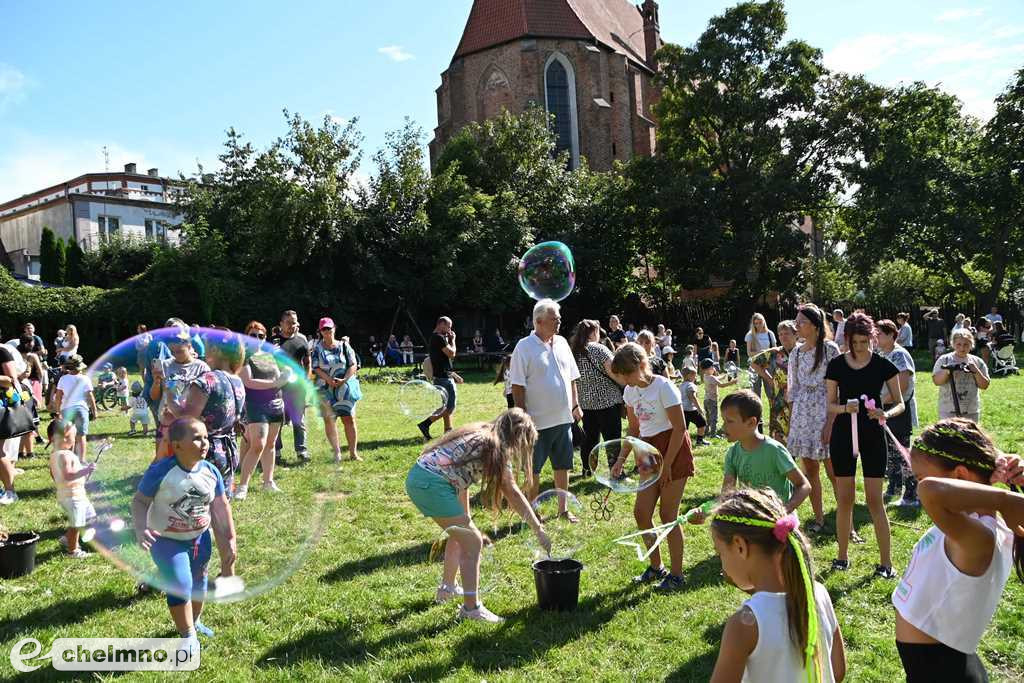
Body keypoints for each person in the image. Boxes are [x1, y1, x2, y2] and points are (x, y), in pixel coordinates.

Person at [892, 419, 1024, 683]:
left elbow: (930, 491)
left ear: (960, 476)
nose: (919, 486)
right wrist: (994, 465)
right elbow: (935, 489)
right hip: (939, 665)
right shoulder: (965, 523)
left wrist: (1002, 498)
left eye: (920, 476)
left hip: (942, 671)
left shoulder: (980, 537)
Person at [405, 409, 551, 622]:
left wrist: (466, 517)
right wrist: (538, 529)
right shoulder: (494, 447)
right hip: (431, 485)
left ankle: (447, 589)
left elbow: (459, 476)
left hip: (420, 478)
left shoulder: (480, 432)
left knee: (462, 535)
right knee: (473, 542)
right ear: (516, 437)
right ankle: (471, 609)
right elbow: (512, 492)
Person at [706, 489, 846, 683]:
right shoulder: (818, 593)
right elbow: (837, 670)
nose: (722, 564)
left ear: (740, 546)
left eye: (719, 552)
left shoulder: (745, 625)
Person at [132, 417, 237, 651]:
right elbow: (139, 501)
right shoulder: (161, 471)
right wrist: (140, 528)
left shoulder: (211, 472)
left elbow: (221, 508)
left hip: (200, 539)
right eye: (197, 438)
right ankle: (187, 634)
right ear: (177, 444)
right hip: (166, 540)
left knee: (198, 583)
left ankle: (195, 621)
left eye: (206, 438)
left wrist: (230, 541)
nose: (204, 443)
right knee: (181, 582)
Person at [825, 312, 904, 577]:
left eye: (864, 342)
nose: (860, 348)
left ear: (871, 338)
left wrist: (885, 413)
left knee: (874, 501)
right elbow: (829, 404)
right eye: (855, 342)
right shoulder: (836, 365)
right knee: (844, 499)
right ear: (847, 339)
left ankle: (886, 564)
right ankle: (841, 557)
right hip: (843, 436)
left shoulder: (883, 365)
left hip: (872, 436)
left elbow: (900, 402)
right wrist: (844, 408)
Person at [611, 342, 693, 591]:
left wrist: (666, 465)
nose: (623, 380)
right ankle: (657, 567)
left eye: (625, 374)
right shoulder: (630, 392)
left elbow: (680, 428)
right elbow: (634, 430)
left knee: (668, 516)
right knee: (641, 512)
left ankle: (677, 574)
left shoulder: (664, 387)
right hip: (647, 451)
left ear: (640, 366)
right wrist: (620, 460)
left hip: (673, 449)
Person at [510, 300, 581, 508]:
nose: (559, 321)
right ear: (539, 321)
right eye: (554, 318)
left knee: (563, 466)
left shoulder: (562, 343)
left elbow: (571, 378)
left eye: (559, 317)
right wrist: (523, 417)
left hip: (563, 418)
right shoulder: (524, 347)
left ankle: (563, 509)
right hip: (537, 422)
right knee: (534, 469)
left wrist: (576, 405)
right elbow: (517, 386)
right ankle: (533, 512)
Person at [787, 304, 840, 535]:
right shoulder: (797, 353)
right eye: (796, 322)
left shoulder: (830, 349)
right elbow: (793, 387)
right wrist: (795, 419)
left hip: (826, 411)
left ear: (816, 326)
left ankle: (844, 521)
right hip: (803, 414)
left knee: (834, 471)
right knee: (810, 471)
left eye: (801, 322)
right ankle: (818, 518)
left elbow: (839, 386)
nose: (796, 325)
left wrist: (831, 420)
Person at [172, 331, 246, 494]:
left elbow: (187, 418)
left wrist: (170, 400)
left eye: (207, 348)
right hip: (229, 451)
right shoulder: (237, 380)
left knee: (199, 509)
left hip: (205, 451)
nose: (204, 353)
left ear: (216, 350)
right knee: (222, 505)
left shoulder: (207, 380)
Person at [237, 326, 290, 499]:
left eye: (261, 335)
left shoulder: (271, 355)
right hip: (256, 405)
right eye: (253, 335)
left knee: (271, 444)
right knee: (257, 445)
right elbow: (248, 381)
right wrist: (276, 383)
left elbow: (280, 374)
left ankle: (268, 482)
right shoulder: (244, 356)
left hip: (275, 403)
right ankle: (242, 486)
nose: (257, 338)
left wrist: (286, 376)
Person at [569, 319, 623, 477]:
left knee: (589, 439)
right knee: (612, 439)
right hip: (607, 402)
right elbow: (615, 373)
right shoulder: (600, 349)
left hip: (585, 404)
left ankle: (587, 470)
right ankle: (616, 471)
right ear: (593, 333)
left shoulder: (573, 352)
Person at [150, 324, 210, 458]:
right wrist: (156, 381)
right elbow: (154, 396)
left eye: (179, 351)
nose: (175, 355)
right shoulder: (165, 365)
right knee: (163, 460)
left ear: (190, 347)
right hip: (166, 422)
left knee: (186, 459)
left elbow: (206, 396)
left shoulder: (201, 367)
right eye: (173, 352)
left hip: (190, 424)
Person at [877, 319, 919, 507]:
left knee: (901, 451)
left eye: (879, 333)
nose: (875, 337)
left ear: (891, 335)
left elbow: (901, 386)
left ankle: (911, 494)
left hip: (898, 409)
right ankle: (893, 488)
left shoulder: (899, 355)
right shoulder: (880, 353)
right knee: (889, 451)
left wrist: (880, 401)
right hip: (883, 409)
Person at [311, 318, 361, 463]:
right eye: (324, 329)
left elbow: (353, 364)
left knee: (349, 420)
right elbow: (315, 367)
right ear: (320, 331)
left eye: (329, 328)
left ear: (334, 328)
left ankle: (353, 453)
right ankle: (337, 452)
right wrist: (328, 380)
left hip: (344, 389)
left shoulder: (344, 345)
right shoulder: (317, 349)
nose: (327, 331)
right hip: (325, 389)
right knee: (330, 421)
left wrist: (344, 379)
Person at [48, 419, 96, 559]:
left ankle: (67, 539)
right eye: (70, 437)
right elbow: (68, 475)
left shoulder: (54, 455)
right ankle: (73, 551)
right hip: (73, 496)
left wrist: (84, 473)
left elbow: (56, 475)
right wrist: (85, 470)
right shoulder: (64, 455)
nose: (73, 440)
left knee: (89, 516)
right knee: (78, 523)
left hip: (72, 494)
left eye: (73, 437)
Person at [270, 310, 310, 466]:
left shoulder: (302, 340)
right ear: (281, 324)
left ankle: (302, 450)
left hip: (297, 387)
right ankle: (277, 451)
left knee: (298, 421)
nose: (291, 325)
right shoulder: (273, 341)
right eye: (288, 322)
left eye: (294, 322)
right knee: (277, 420)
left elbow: (307, 363)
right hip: (277, 387)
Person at [751, 320, 798, 444]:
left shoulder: (802, 352)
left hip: (799, 401)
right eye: (780, 334)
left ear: (795, 334)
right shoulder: (775, 353)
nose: (783, 336)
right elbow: (754, 362)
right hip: (779, 402)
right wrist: (769, 379)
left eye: (786, 333)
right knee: (779, 439)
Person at [932, 328, 990, 424]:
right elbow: (937, 381)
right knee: (948, 437)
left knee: (970, 438)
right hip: (948, 410)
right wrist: (947, 370)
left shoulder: (977, 362)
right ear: (953, 344)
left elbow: (984, 385)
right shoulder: (945, 359)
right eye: (959, 344)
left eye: (966, 345)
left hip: (970, 410)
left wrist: (975, 371)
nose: (962, 348)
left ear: (971, 345)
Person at [418, 317, 462, 440]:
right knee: (449, 407)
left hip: (442, 375)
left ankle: (448, 431)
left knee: (445, 405)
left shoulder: (438, 338)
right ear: (441, 324)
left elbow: (445, 360)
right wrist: (453, 340)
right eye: (448, 326)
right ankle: (425, 424)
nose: (450, 329)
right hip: (443, 377)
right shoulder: (438, 338)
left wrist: (454, 375)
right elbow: (452, 354)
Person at [54, 355, 97, 459]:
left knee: (68, 434)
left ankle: (69, 458)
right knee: (81, 436)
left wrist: (57, 411)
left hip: (66, 410)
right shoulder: (85, 378)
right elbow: (90, 396)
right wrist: (94, 410)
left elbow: (58, 397)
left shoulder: (63, 379)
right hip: (81, 409)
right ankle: (81, 459)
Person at [701, 359, 735, 438]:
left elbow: (717, 378)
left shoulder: (705, 376)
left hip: (706, 400)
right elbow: (721, 385)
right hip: (712, 401)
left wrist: (724, 375)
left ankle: (706, 431)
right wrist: (732, 382)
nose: (714, 368)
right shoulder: (712, 378)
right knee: (714, 418)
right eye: (712, 367)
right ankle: (713, 434)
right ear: (707, 369)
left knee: (708, 417)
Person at [745, 314, 776, 397]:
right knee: (755, 393)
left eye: (760, 322)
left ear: (764, 322)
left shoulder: (770, 334)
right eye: (756, 323)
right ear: (753, 324)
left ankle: (774, 409)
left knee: (771, 392)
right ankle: (756, 410)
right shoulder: (750, 335)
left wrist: (767, 352)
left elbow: (775, 350)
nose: (758, 325)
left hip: (768, 365)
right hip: (754, 365)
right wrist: (762, 352)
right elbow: (749, 353)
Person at [679, 367, 708, 445]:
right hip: (691, 409)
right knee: (702, 423)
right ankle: (699, 440)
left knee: (685, 428)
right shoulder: (691, 385)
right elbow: (692, 396)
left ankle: (684, 443)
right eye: (694, 375)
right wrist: (699, 408)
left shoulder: (681, 385)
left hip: (682, 409)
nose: (695, 377)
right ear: (689, 375)